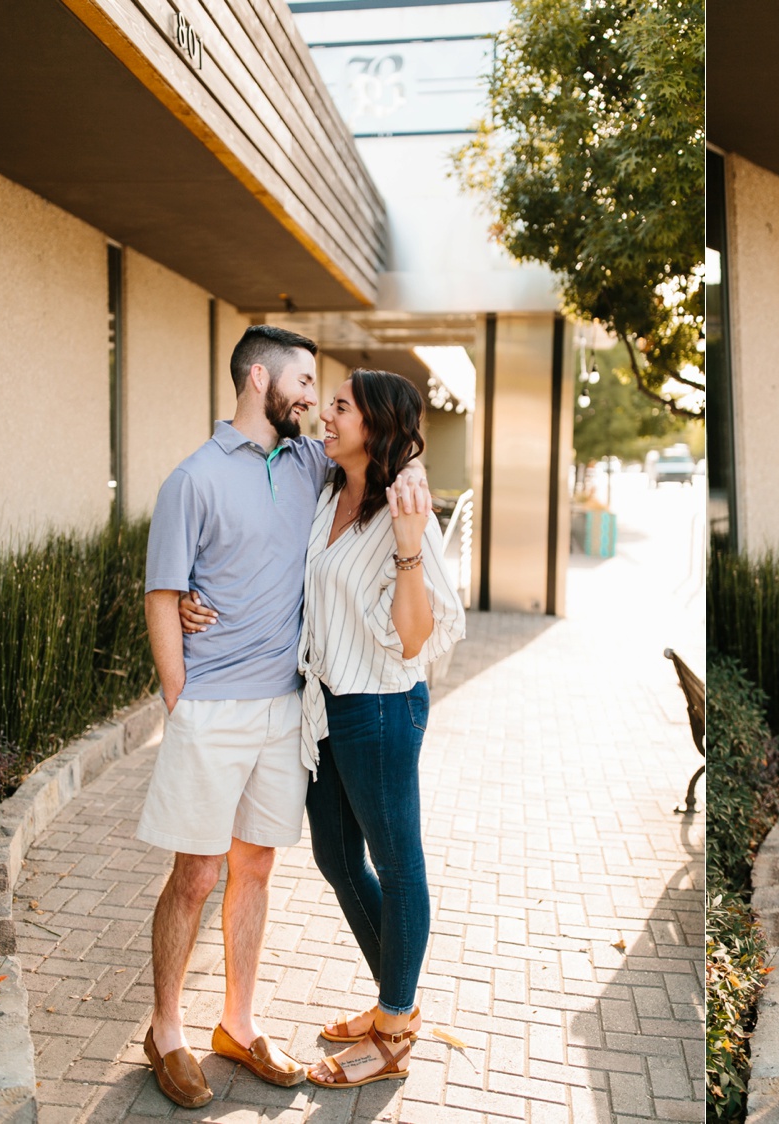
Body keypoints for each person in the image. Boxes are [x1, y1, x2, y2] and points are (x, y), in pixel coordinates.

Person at [141, 327, 426, 1108]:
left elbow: (387, 458)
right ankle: (166, 1029)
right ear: (260, 378)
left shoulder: (310, 464)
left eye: (325, 395)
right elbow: (162, 595)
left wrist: (412, 473)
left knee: (257, 868)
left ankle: (238, 1023)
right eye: (305, 383)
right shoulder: (191, 480)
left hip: (288, 709)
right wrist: (180, 697)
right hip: (212, 707)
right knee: (197, 875)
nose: (313, 401)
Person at [295, 370, 464, 1089]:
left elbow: (416, 636)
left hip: (382, 708)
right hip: (326, 703)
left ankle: (394, 1032)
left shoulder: (406, 508)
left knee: (398, 865)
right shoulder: (328, 489)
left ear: (376, 425)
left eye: (341, 406)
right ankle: (395, 1003)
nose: (326, 416)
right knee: (337, 858)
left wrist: (407, 543)